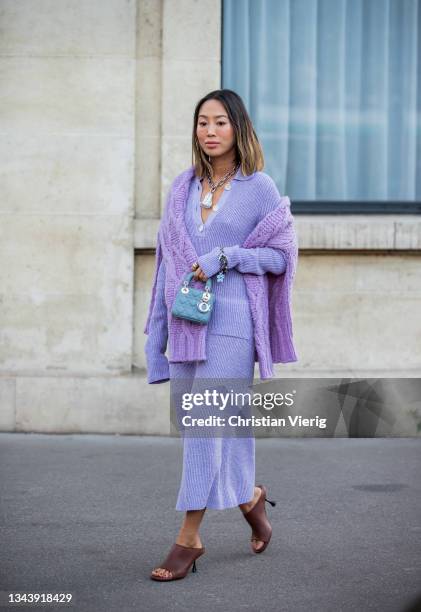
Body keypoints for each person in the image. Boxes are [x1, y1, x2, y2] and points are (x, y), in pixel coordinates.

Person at [144, 89, 298, 581]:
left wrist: (228, 258)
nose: (209, 131)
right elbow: (166, 262)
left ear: (238, 129)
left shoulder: (260, 189)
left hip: (234, 322)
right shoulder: (181, 187)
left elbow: (281, 255)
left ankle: (188, 539)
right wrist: (157, 335)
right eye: (202, 123)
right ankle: (251, 499)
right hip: (189, 320)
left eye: (220, 123)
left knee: (205, 427)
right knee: (205, 424)